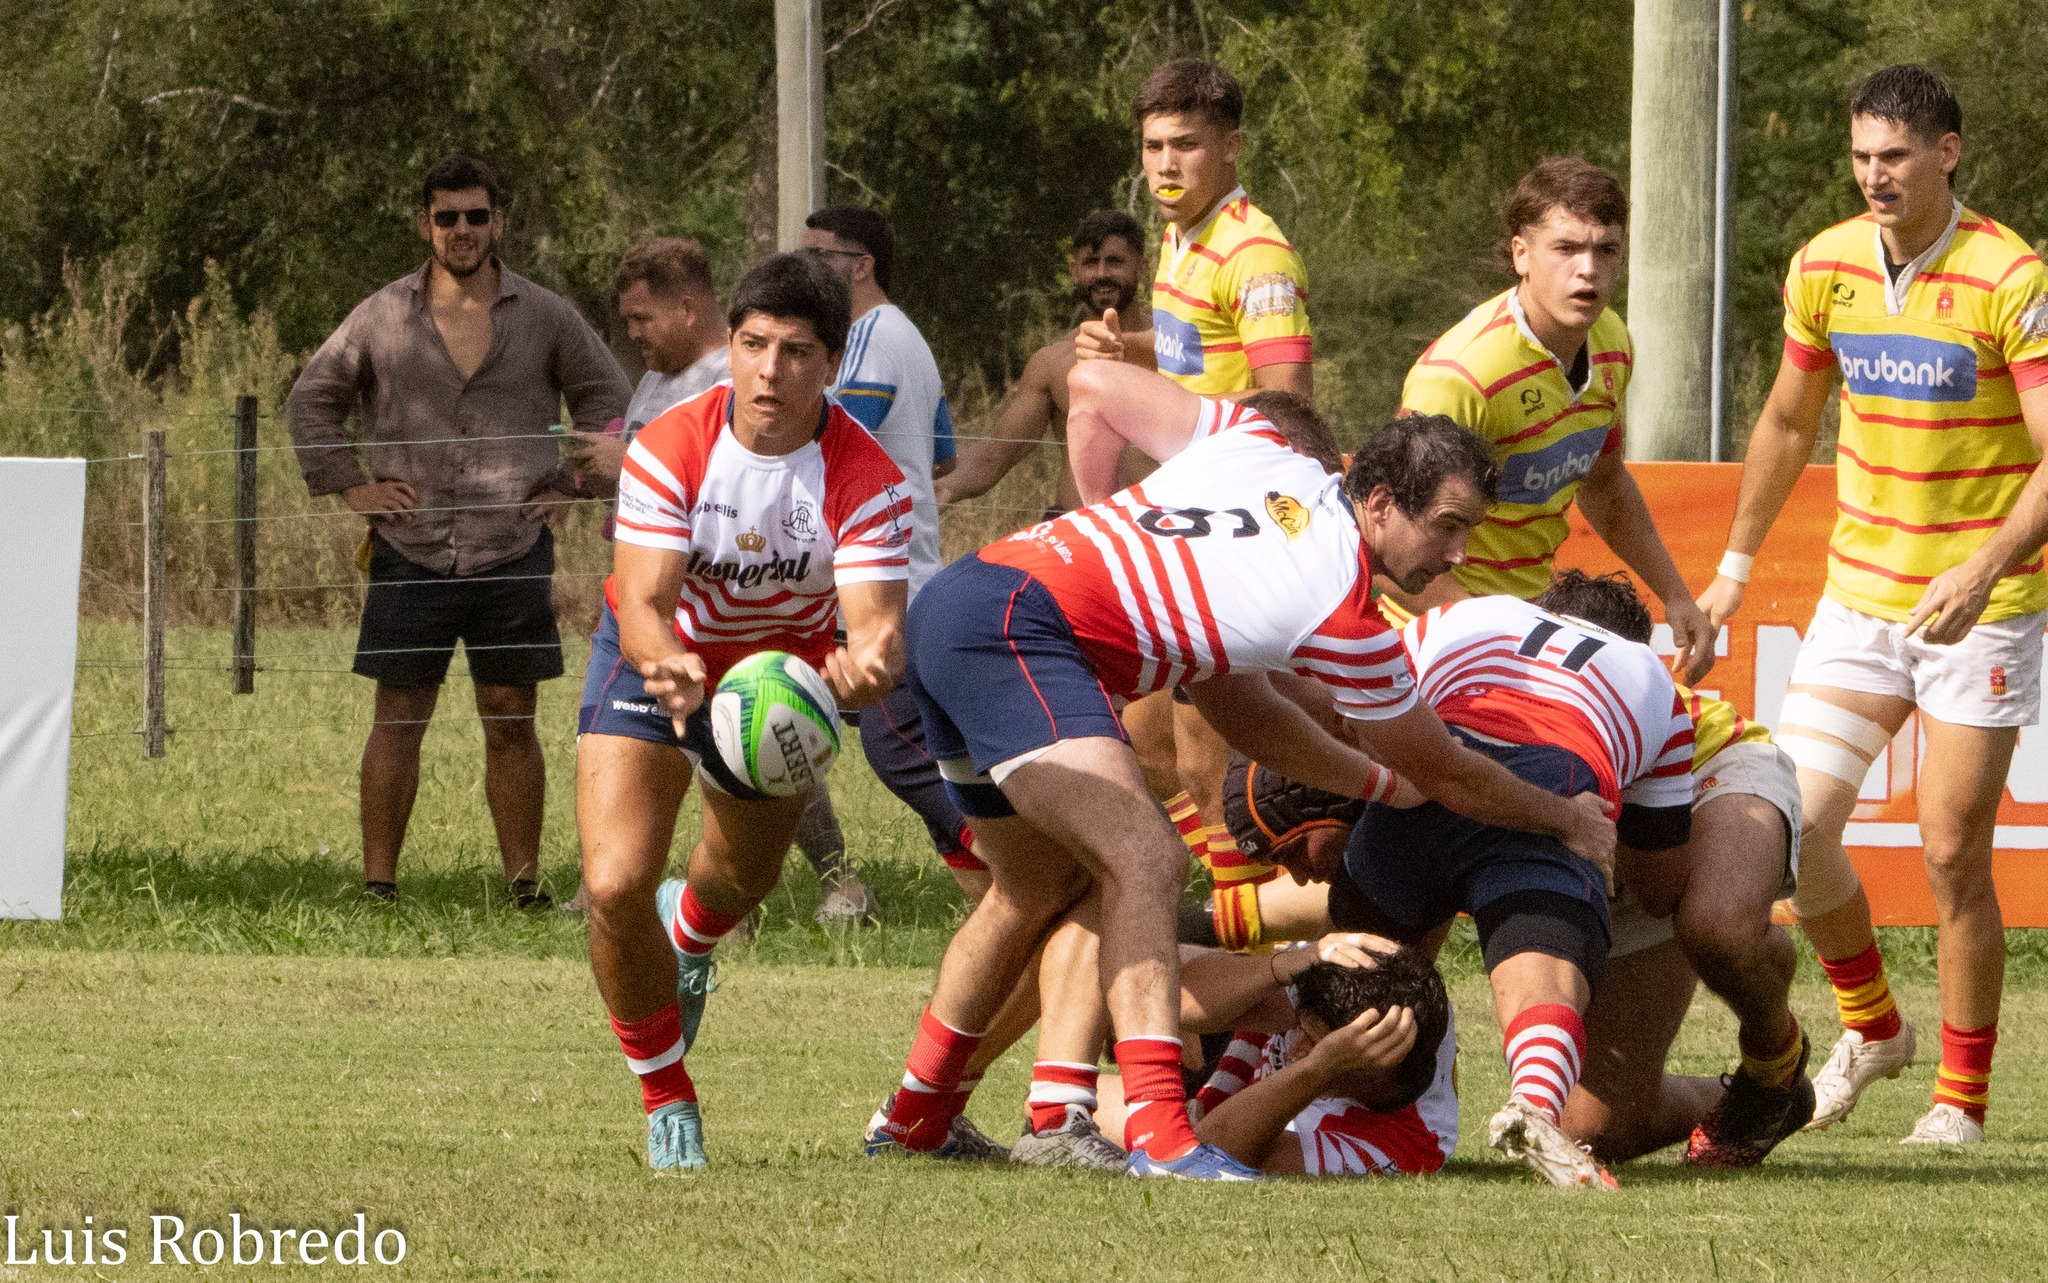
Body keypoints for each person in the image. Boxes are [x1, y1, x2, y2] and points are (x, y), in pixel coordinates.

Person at [864, 360, 1613, 1180]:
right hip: (1022, 630)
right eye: (1447, 525)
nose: (1459, 552)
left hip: (965, 596)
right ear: (1382, 503)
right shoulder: (1346, 613)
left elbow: (1093, 388)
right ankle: (1160, 1135)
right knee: (1148, 857)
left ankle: (915, 1115)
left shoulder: (1261, 442)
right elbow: (1452, 771)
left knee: (1036, 891)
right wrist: (1568, 818)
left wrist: (1096, 515)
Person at [1698, 64, 2048, 1146]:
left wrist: (1981, 568)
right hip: (1860, 595)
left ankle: (1960, 1099)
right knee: (1791, 824)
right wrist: (1732, 567)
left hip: (1982, 604)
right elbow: (1784, 422)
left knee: (1948, 851)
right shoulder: (1825, 262)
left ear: (1945, 152)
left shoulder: (2009, 274)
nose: (1871, 175)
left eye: (1892, 156)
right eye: (1859, 156)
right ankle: (1872, 1025)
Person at [575, 252, 911, 1171]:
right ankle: (666, 1094)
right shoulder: (670, 444)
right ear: (729, 346)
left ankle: (693, 935)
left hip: (778, 686)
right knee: (612, 883)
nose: (770, 369)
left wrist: (866, 670)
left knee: (738, 886)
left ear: (830, 363)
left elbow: (877, 630)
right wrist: (665, 663)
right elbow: (643, 601)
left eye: (797, 351)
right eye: (753, 344)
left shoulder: (868, 476)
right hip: (655, 659)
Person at [286, 155, 630, 906]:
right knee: (398, 715)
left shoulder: (546, 314)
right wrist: (354, 486)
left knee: (511, 716)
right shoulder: (381, 315)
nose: (463, 230)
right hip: (408, 547)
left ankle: (524, 883)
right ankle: (379, 882)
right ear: (425, 225)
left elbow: (609, 397)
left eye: (477, 216)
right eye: (447, 217)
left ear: (497, 223)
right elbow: (311, 401)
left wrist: (575, 481)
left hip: (513, 546)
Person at [1326, 587, 1697, 1191]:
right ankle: (1534, 1103)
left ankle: (1302, 1092)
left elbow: (1365, 709)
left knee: (1358, 961)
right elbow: (1659, 885)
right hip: (1560, 773)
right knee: (1545, 971)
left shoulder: (1465, 612)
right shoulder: (1655, 680)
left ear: (1547, 603)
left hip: (1440, 761)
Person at [1073, 58, 1318, 920]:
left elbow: (1287, 402)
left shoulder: (1256, 253)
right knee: (1141, 739)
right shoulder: (1184, 235)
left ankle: (1248, 951)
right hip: (1183, 525)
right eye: (1152, 146)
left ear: (1231, 146)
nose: (1165, 165)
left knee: (1205, 765)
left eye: (1186, 145)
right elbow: (1194, 346)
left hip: (1233, 534)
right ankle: (1213, 921)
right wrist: (1128, 346)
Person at [1393, 156, 1714, 679]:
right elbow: (1385, 545)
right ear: (1521, 254)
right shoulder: (1461, 377)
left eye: (1606, 249)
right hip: (1432, 629)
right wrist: (1485, 634)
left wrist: (1676, 596)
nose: (1588, 269)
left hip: (1527, 623)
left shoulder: (1611, 342)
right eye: (1566, 248)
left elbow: (1605, 488)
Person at [936, 209, 1151, 517]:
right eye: (1091, 263)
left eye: (1115, 262)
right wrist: (939, 489)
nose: (1102, 274)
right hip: (1077, 535)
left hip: (1160, 536)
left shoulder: (1172, 349)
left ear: (1141, 268)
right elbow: (996, 455)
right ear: (1074, 271)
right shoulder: (1053, 362)